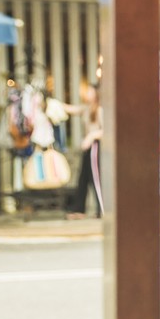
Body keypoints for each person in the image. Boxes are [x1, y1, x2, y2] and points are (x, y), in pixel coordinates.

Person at [64, 81, 103, 219]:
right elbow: (71, 109)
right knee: (83, 178)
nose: (87, 93)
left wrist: (91, 137)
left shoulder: (100, 109)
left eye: (90, 91)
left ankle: (103, 209)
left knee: (96, 178)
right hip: (88, 148)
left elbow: (106, 130)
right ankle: (78, 209)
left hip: (96, 147)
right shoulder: (87, 108)